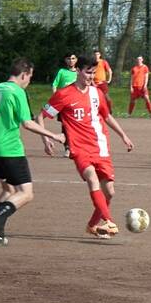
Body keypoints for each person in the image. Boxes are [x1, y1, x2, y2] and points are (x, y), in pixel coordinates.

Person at [36, 55, 134, 239]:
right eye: (88, 72)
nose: (91, 76)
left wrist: (123, 135)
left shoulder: (97, 93)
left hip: (100, 146)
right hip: (79, 147)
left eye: (93, 73)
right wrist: (45, 139)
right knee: (92, 179)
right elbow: (40, 116)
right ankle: (109, 221)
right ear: (79, 71)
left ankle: (92, 225)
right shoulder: (64, 94)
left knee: (110, 192)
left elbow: (106, 116)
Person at [0, 57, 65, 247]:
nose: (29, 81)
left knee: (9, 190)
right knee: (26, 193)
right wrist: (53, 136)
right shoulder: (17, 92)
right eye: (30, 77)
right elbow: (27, 123)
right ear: (24, 74)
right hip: (9, 150)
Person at [52, 52, 78, 157]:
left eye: (73, 58)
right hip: (64, 104)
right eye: (69, 58)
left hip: (77, 104)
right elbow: (54, 85)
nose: (71, 60)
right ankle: (67, 148)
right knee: (65, 126)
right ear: (65, 60)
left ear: (76, 60)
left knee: (78, 125)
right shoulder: (62, 72)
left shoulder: (80, 72)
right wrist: (56, 98)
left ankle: (76, 146)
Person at [93, 50, 114, 114]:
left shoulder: (103, 62)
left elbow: (110, 71)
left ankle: (110, 111)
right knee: (94, 98)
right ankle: (96, 112)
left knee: (107, 98)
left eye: (97, 54)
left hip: (102, 83)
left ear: (100, 55)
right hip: (93, 83)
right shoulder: (92, 63)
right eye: (95, 54)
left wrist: (109, 80)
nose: (96, 56)